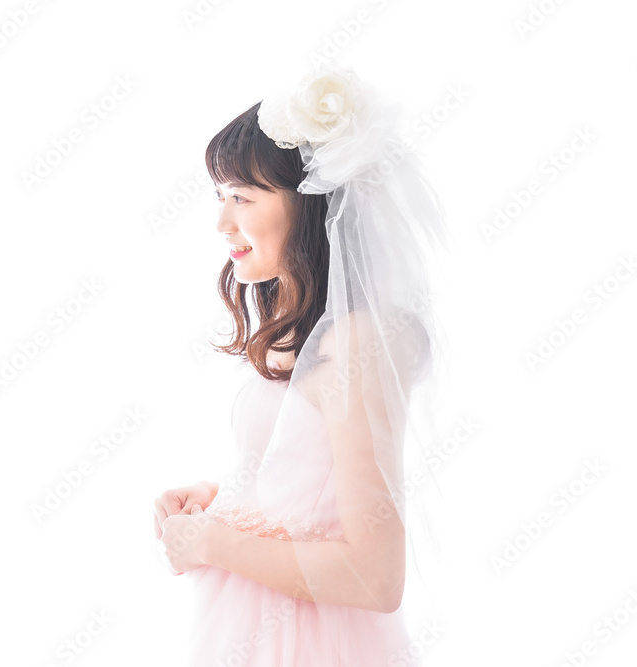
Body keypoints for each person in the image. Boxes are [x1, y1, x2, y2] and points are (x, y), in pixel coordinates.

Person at [153, 63, 451, 666]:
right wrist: (216, 499)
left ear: (311, 203)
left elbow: (375, 576)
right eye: (220, 197)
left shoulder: (357, 343)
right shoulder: (302, 329)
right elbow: (309, 491)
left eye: (242, 198)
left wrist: (210, 542)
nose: (222, 223)